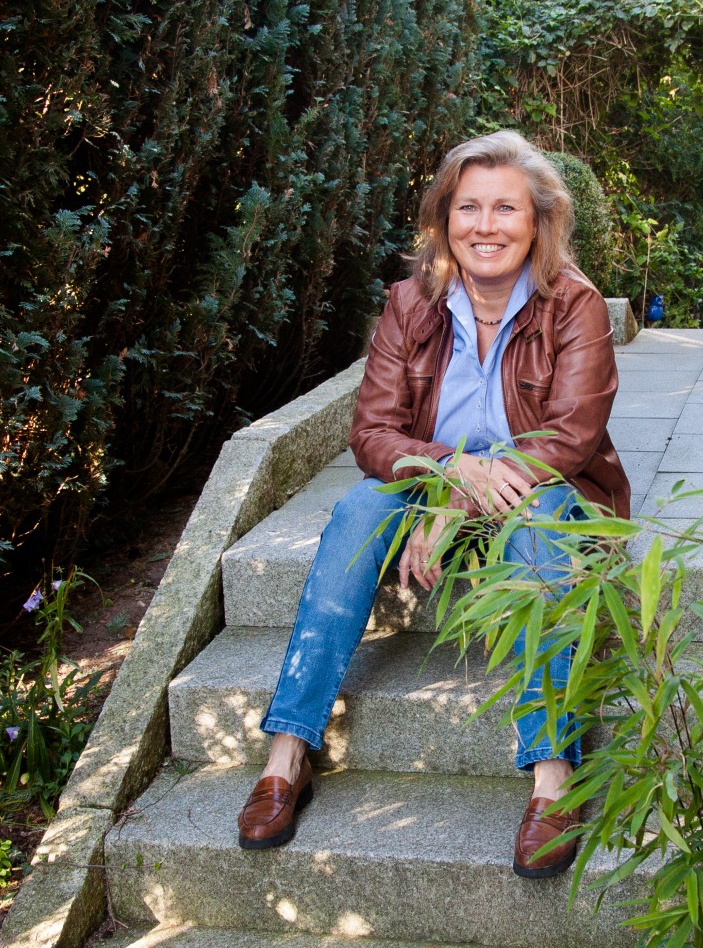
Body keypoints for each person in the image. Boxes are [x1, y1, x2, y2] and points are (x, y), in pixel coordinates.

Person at [235, 130, 629, 879]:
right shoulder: (410, 304)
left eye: (505, 208)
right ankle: (289, 750)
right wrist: (449, 482)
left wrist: (464, 502)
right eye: (468, 207)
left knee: (537, 537)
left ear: (539, 222)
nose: (486, 226)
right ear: (443, 220)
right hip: (427, 485)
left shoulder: (573, 306)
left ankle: (553, 775)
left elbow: (570, 440)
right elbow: (373, 432)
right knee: (354, 515)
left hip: (540, 489)